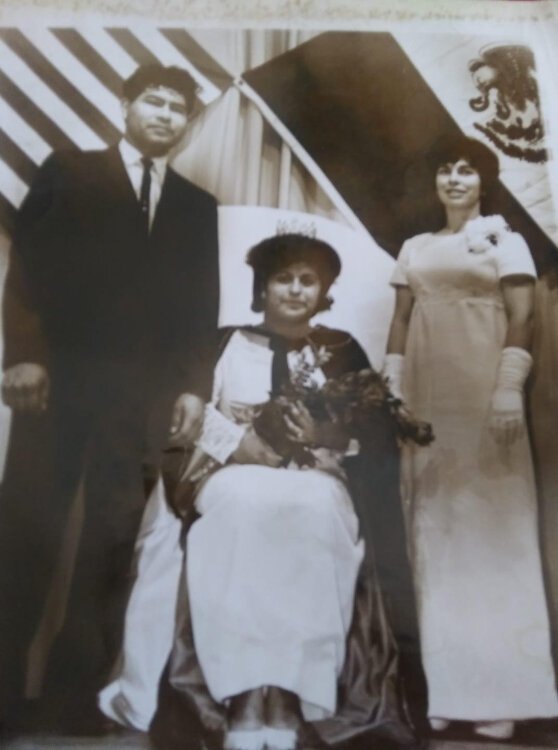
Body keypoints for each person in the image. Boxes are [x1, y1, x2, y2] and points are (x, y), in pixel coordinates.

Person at [101, 233, 417, 750]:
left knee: (312, 509)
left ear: (324, 290)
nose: (295, 290)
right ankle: (245, 697)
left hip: (316, 478)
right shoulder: (220, 342)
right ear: (263, 287)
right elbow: (184, 424)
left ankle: (291, 697)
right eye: (283, 278)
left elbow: (375, 436)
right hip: (228, 475)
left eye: (308, 280)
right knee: (239, 506)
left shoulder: (341, 350)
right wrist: (237, 444)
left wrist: (322, 437)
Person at [0, 63, 219, 734]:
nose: (164, 114)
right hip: (57, 387)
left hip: (141, 404)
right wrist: (26, 356)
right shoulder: (69, 170)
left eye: (177, 107)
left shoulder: (195, 205)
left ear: (186, 124)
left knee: (109, 547)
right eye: (152, 100)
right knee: (25, 535)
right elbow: (27, 269)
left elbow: (198, 308)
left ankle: (72, 701)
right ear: (126, 105)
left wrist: (191, 387)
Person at [384, 135, 558, 740]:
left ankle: (505, 696)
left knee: (493, 537)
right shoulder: (415, 247)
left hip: (485, 399)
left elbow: (525, 316)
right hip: (428, 403)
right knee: (436, 537)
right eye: (445, 169)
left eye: (467, 170)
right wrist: (394, 390)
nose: (455, 178)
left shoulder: (506, 240)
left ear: (484, 181)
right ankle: (452, 692)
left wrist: (509, 386)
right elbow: (401, 321)